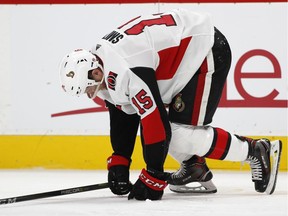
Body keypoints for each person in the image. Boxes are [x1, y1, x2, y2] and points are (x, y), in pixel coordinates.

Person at [59, 8, 282, 200]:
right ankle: (194, 167)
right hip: (184, 51)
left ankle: (255, 150)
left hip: (205, 50)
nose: (90, 95)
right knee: (173, 134)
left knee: (178, 134)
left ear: (96, 72)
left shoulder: (125, 69)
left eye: (89, 88)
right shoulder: (99, 62)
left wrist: (154, 175)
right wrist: (120, 159)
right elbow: (123, 111)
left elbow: (154, 121)